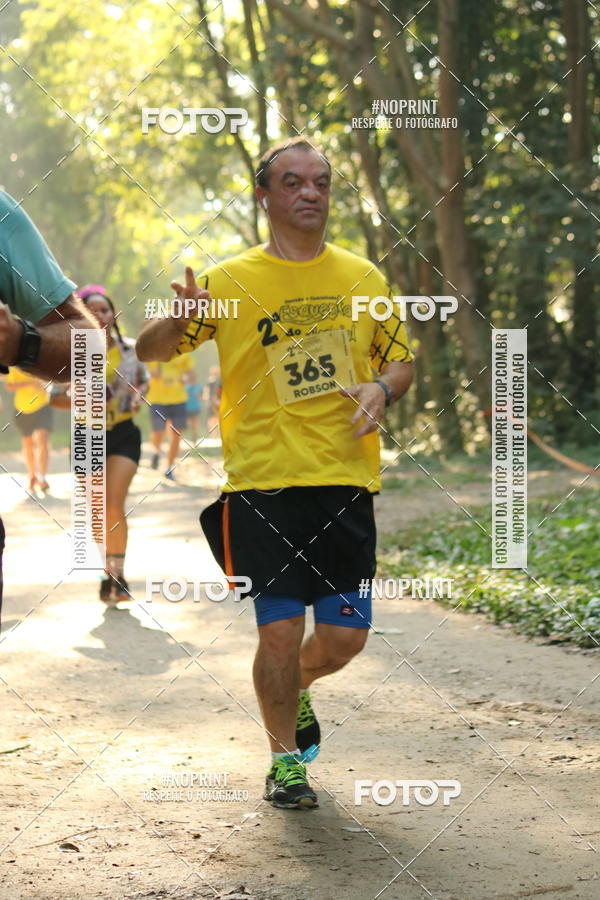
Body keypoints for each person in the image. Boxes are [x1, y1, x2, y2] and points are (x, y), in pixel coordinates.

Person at [136, 137, 414, 809]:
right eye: (292, 182)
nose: (309, 193)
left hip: (345, 479)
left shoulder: (363, 278)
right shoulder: (229, 283)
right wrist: (178, 319)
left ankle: (302, 689)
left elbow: (400, 360)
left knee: (344, 637)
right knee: (280, 631)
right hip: (260, 484)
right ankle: (284, 760)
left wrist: (382, 388)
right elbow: (147, 353)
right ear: (264, 196)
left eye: (320, 181)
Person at [0, 189, 97, 621]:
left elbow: (88, 342)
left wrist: (23, 342)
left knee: (39, 438)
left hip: (36, 399)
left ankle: (38, 476)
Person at [78, 285, 149, 604]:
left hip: (123, 433)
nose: (100, 316)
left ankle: (119, 576)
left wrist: (136, 396)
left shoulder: (132, 350)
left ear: (114, 314)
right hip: (87, 435)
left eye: (104, 310)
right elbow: (54, 398)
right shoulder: (70, 352)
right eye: (91, 310)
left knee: (114, 503)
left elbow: (144, 382)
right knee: (97, 508)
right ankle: (107, 571)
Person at [3, 367, 53, 494]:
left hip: (43, 405)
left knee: (43, 438)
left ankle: (42, 478)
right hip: (22, 408)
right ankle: (32, 475)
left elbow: (52, 379)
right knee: (28, 444)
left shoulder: (42, 359)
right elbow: (9, 386)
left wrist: (48, 386)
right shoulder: (14, 366)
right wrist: (31, 383)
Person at [146, 354, 194, 480]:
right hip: (158, 399)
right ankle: (156, 452)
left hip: (178, 399)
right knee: (158, 432)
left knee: (177, 434)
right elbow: (145, 372)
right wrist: (152, 373)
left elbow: (191, 375)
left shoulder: (183, 350)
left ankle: (169, 467)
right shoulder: (153, 350)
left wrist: (187, 379)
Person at [184, 371, 203, 444]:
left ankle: (194, 437)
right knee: (189, 423)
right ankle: (192, 435)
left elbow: (201, 396)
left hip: (195, 407)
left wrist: (199, 396)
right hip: (187, 408)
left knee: (194, 422)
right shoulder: (186, 387)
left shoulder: (198, 387)